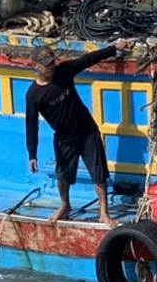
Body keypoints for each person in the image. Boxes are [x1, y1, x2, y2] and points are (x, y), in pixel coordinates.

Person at [25, 39, 132, 225]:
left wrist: (114, 48)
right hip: (64, 138)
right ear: (36, 66)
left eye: (52, 62)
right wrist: (32, 154)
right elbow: (31, 124)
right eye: (46, 65)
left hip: (87, 131)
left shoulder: (64, 71)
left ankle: (104, 213)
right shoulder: (33, 95)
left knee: (99, 173)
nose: (51, 67)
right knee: (63, 175)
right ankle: (65, 205)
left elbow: (89, 59)